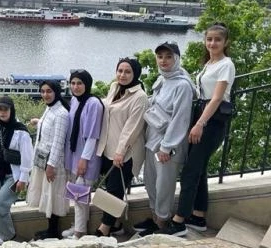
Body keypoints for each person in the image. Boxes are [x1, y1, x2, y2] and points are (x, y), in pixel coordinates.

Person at [162, 24, 236, 236]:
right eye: (209, 39)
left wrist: (199, 124)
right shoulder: (210, 63)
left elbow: (217, 98)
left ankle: (179, 221)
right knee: (199, 169)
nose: (212, 43)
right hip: (203, 116)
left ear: (225, 42)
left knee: (190, 171)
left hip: (211, 121)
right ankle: (199, 215)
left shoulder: (226, 65)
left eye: (217, 40)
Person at [136, 42, 195, 236]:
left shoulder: (182, 85)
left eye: (169, 57)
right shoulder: (162, 80)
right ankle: (156, 218)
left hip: (168, 146)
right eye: (160, 57)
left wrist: (167, 147)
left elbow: (181, 118)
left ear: (176, 59)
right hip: (152, 140)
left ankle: (163, 223)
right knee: (150, 181)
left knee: (164, 186)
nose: (164, 61)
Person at [94, 58, 148, 237]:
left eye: (127, 72)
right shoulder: (114, 87)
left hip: (126, 152)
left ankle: (105, 229)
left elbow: (132, 128)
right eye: (120, 71)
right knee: (112, 187)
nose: (122, 75)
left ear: (135, 74)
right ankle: (116, 224)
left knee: (115, 190)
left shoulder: (139, 97)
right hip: (108, 149)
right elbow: (107, 106)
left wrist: (120, 151)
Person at [61, 70, 103, 239]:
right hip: (74, 155)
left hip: (86, 158)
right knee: (78, 194)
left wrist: (84, 160)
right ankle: (79, 226)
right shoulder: (75, 101)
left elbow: (92, 135)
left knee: (79, 196)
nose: (76, 87)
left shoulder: (93, 103)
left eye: (80, 83)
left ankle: (79, 233)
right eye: (73, 83)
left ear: (87, 84)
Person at [26, 80, 70, 240]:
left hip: (53, 163)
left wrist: (51, 166)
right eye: (43, 91)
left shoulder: (61, 113)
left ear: (56, 92)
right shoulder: (50, 109)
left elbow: (58, 142)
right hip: (43, 160)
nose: (45, 94)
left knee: (53, 195)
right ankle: (50, 229)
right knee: (47, 194)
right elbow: (50, 128)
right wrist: (39, 122)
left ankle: (53, 231)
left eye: (49, 91)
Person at [0, 97, 34, 244]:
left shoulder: (20, 131)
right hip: (1, 173)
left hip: (15, 176)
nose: (2, 113)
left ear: (11, 110)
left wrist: (23, 178)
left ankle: (9, 237)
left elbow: (28, 156)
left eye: (5, 109)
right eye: (0, 109)